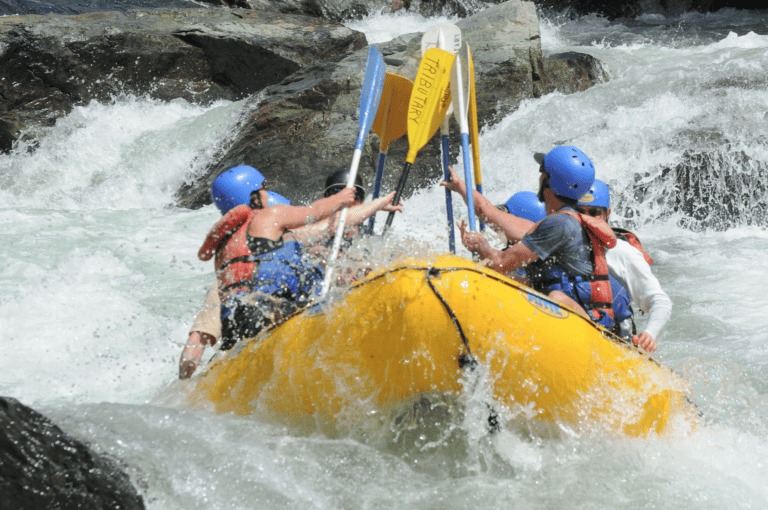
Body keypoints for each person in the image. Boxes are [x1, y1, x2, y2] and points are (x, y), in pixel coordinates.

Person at [448, 146, 622, 332]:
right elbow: (488, 211)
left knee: (556, 297)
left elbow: (499, 262)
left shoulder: (559, 225)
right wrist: (461, 186)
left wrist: (481, 247)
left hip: (588, 330)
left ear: (549, 180)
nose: (539, 178)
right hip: (587, 323)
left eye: (542, 172)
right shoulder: (565, 223)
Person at [179, 191, 290, 379]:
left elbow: (196, 341)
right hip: (248, 362)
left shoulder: (227, 279)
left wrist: (183, 381)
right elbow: (198, 338)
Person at [575, 179, 671, 353]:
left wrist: (650, 334)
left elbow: (659, 301)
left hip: (614, 343)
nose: (587, 220)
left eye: (595, 212)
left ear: (607, 214)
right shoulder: (560, 243)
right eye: (580, 213)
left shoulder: (623, 253)